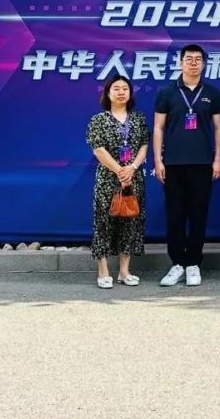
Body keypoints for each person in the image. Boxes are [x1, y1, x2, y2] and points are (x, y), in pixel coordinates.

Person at [153, 44, 220, 287]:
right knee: (175, 215)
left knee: (198, 214)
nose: (193, 63)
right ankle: (177, 263)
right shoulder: (167, 92)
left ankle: (193, 263)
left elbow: (218, 128)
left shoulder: (212, 93)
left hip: (202, 163)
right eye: (189, 59)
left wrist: (218, 159)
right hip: (173, 163)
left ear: (203, 63)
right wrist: (158, 160)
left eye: (198, 59)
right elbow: (158, 127)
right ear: (180, 62)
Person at [86, 75, 149, 289]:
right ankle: (103, 271)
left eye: (125, 88)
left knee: (130, 222)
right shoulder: (98, 120)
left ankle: (124, 271)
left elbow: (144, 145)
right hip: (108, 178)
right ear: (108, 92)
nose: (121, 92)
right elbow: (98, 149)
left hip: (133, 178)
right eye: (116, 88)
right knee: (104, 222)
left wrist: (132, 168)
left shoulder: (138, 119)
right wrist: (120, 171)